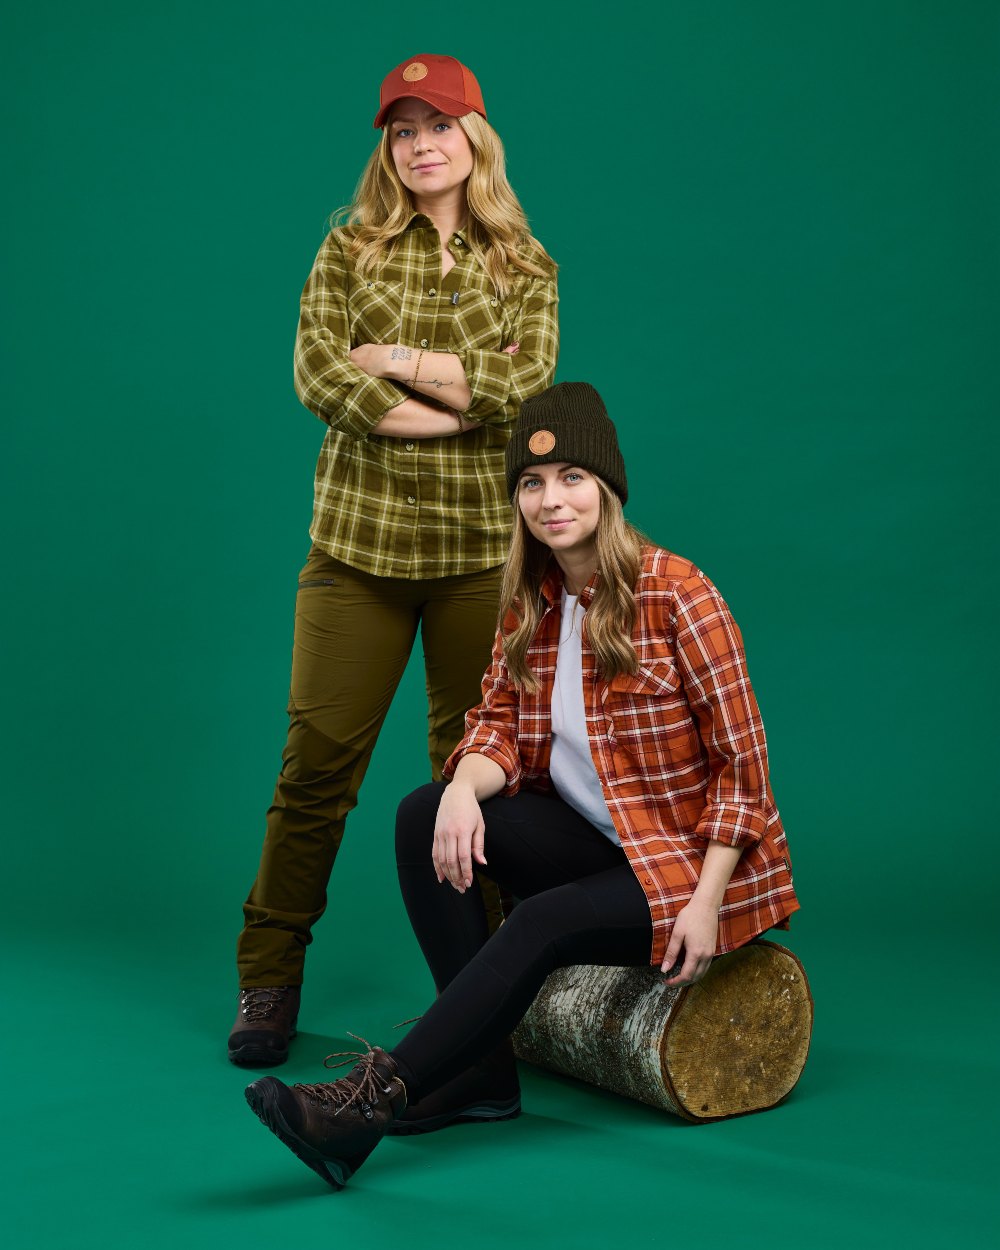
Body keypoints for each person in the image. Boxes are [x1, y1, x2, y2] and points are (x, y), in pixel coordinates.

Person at [243, 381, 802, 1189]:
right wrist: (466, 789)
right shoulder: (532, 600)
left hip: (685, 867)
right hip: (597, 848)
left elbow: (745, 776)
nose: (552, 500)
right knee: (424, 810)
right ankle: (478, 1074)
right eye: (532, 484)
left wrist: (709, 901)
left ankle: (369, 1101)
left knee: (539, 922)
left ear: (608, 488)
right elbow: (495, 725)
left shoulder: (681, 595)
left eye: (573, 478)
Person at [229, 54, 559, 1066]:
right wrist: (428, 412)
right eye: (402, 128)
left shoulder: (525, 264)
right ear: (388, 145)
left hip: (477, 560)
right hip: (356, 554)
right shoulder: (349, 249)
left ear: (476, 140)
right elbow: (317, 370)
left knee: (473, 784)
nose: (421, 143)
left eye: (439, 124)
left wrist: (405, 362)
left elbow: (528, 390)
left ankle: (486, 998)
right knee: (316, 768)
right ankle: (268, 975)